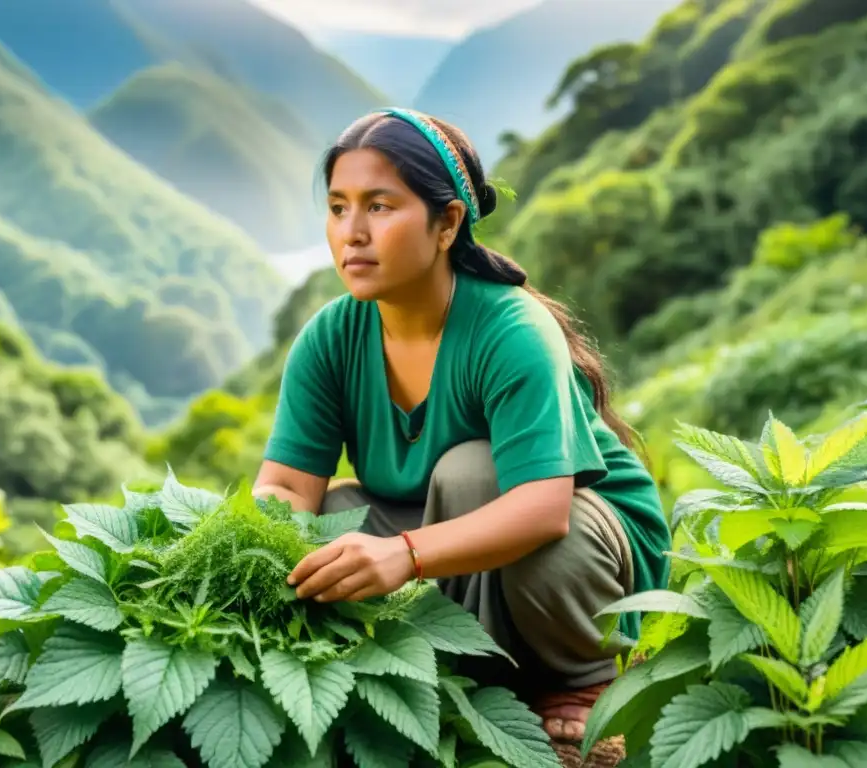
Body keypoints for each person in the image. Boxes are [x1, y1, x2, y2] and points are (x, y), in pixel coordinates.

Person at [252, 107, 671, 750]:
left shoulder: (511, 330)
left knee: (472, 469)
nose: (352, 234)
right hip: (446, 539)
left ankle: (582, 676)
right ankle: (462, 666)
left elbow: (542, 510)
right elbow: (284, 487)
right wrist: (258, 567)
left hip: (579, 551)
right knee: (331, 513)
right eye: (338, 208)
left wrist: (402, 555)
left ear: (447, 223)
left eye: (380, 207)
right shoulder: (330, 338)